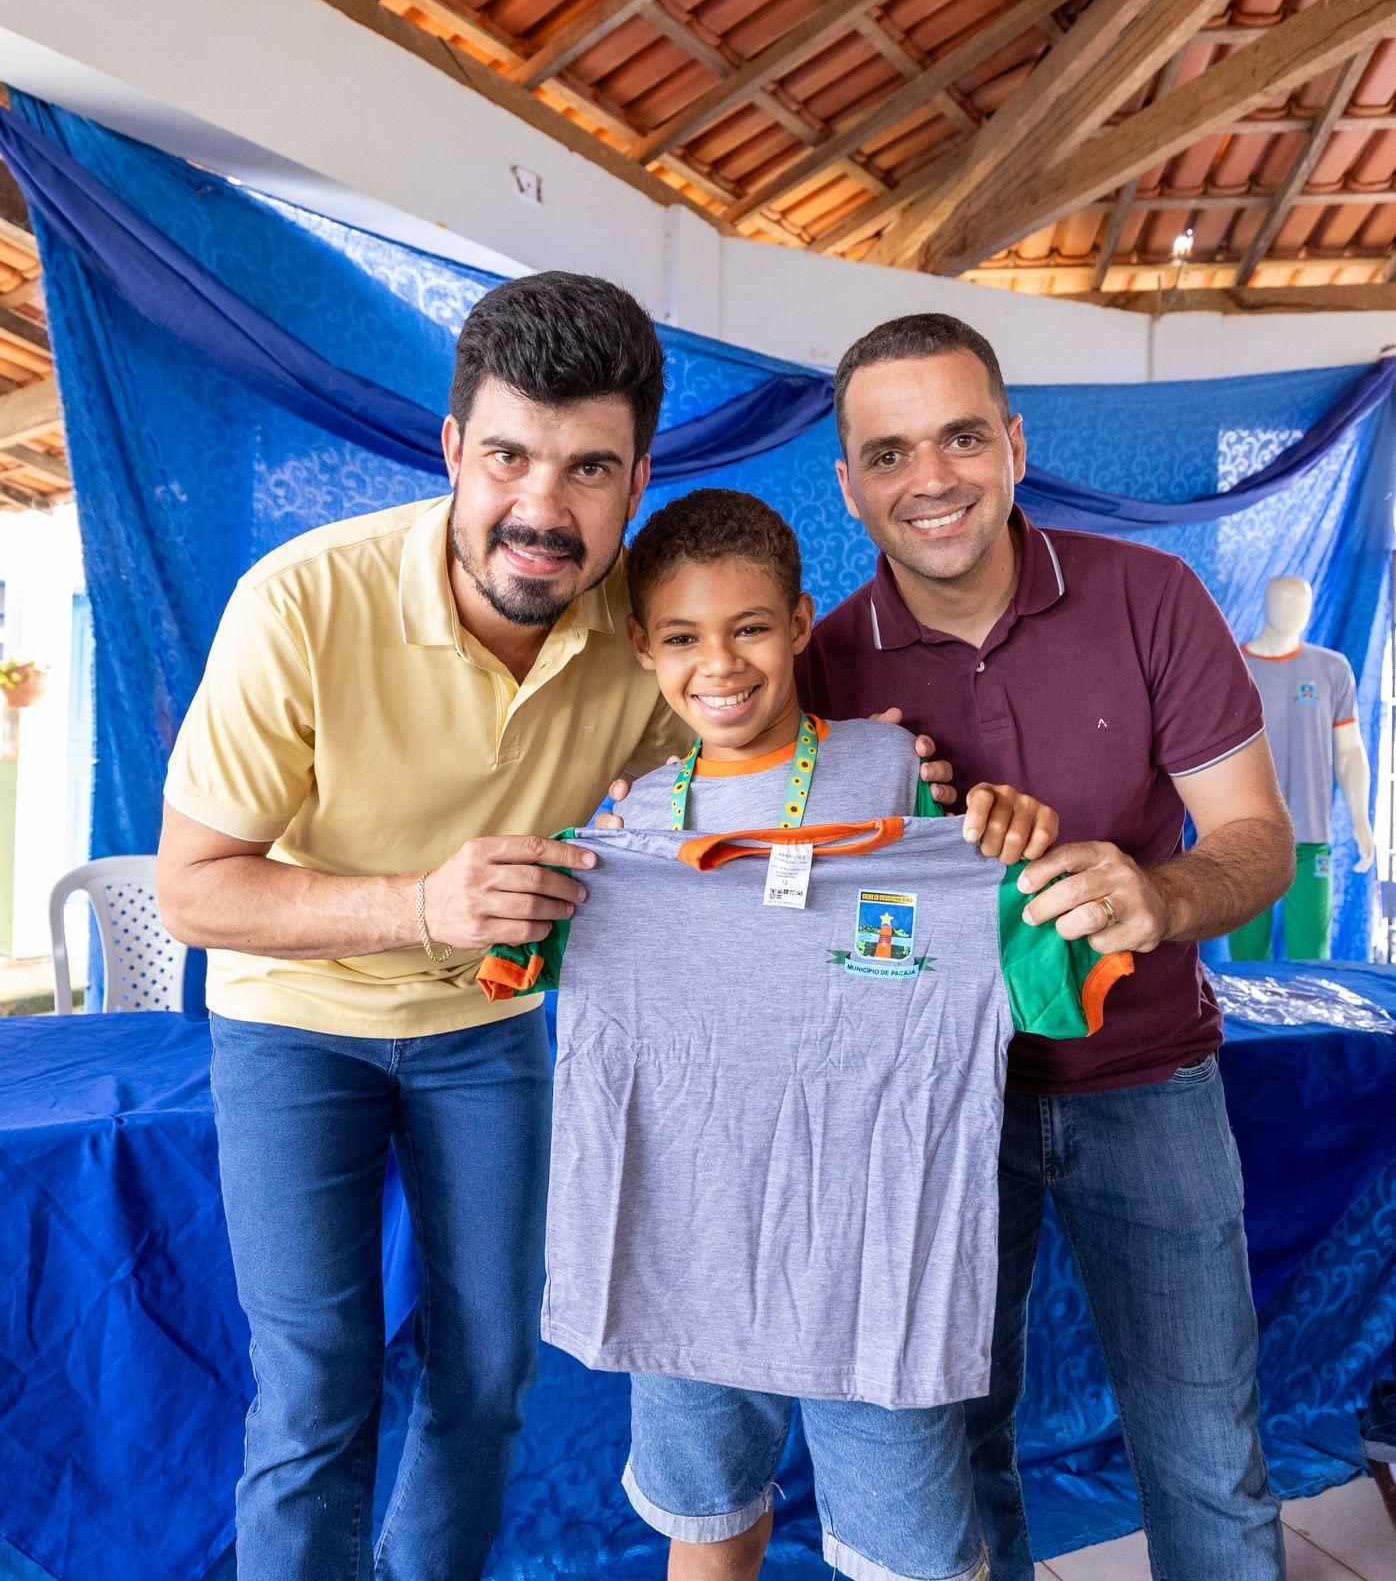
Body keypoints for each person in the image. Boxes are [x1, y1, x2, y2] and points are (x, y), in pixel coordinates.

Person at [155, 272, 695, 1581]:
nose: (542, 510)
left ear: (635, 479)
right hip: (297, 1024)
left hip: (488, 1029)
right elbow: (193, 891)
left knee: (490, 1371)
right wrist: (418, 904)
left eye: (588, 471)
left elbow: (739, 774)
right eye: (509, 456)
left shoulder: (647, 634)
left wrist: (895, 771)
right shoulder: (303, 602)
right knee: (316, 1387)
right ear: (453, 448)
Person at [796, 314, 1295, 1579]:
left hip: (1150, 1087)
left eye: (963, 436)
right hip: (936, 1112)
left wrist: (1159, 897)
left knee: (1206, 1453)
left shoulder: (1150, 598)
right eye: (891, 451)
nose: (933, 478)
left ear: (1014, 445)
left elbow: (1255, 838)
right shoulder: (818, 668)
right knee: (961, 1455)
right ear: (847, 482)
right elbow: (783, 917)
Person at [583, 488, 1083, 1581]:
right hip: (689, 1245)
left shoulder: (895, 772)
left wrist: (1014, 859)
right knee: (708, 1527)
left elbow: (1001, 928)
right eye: (682, 637)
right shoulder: (630, 823)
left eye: (749, 627)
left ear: (803, 621)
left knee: (910, 1554)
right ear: (642, 647)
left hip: (871, 1252)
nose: (720, 663)